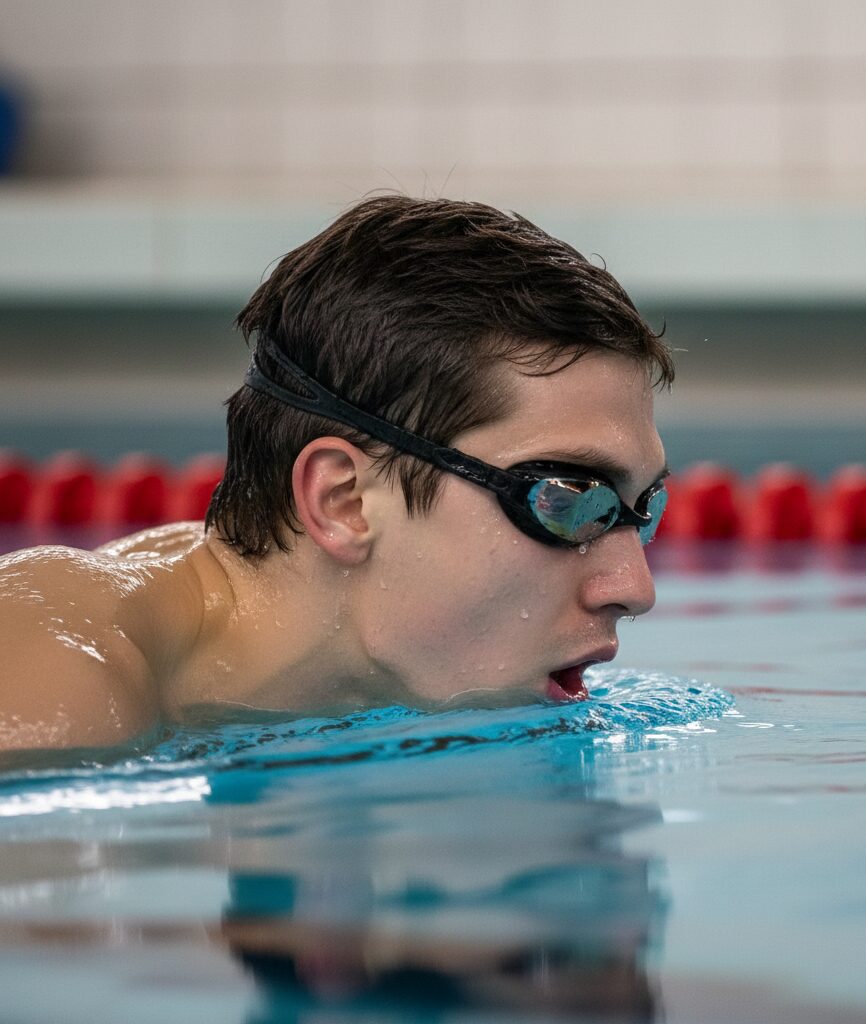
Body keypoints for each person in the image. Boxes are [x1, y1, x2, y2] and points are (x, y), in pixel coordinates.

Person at [0, 196, 673, 758]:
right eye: (567, 499)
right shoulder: (52, 694)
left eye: (648, 506)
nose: (634, 590)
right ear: (344, 502)